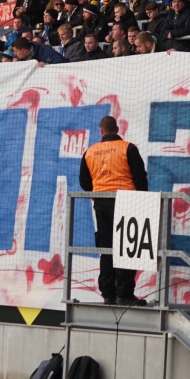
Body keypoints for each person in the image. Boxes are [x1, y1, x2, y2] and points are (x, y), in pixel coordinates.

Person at [78, 115, 150, 307]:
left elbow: (84, 182)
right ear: (117, 130)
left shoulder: (90, 152)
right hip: (128, 202)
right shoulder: (128, 148)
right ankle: (124, 294)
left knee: (106, 248)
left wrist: (98, 191)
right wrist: (142, 200)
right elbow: (140, 178)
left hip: (101, 204)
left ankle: (108, 294)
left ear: (101, 131)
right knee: (128, 248)